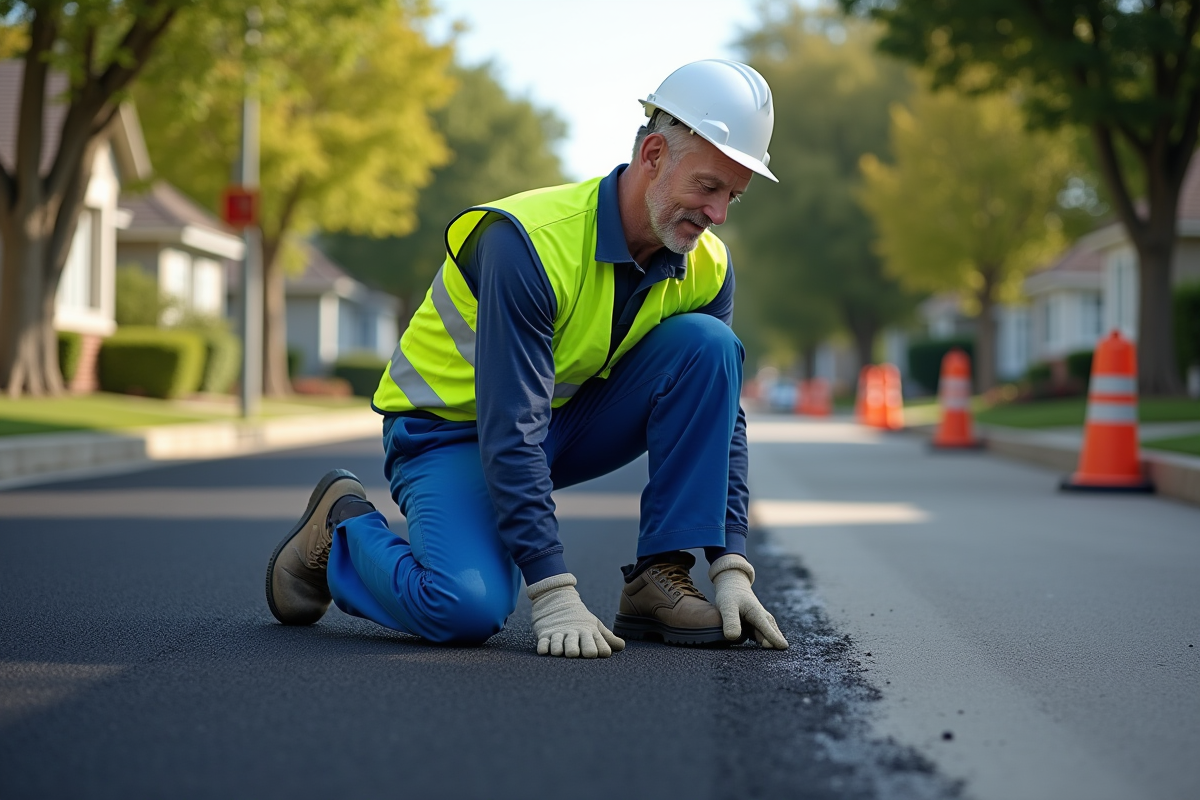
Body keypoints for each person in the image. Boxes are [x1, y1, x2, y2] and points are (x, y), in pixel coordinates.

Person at [265, 59, 789, 659]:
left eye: (733, 197)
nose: (718, 214)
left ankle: (657, 578)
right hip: (448, 432)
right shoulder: (527, 244)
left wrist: (731, 563)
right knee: (466, 607)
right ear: (652, 156)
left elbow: (722, 413)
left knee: (710, 346)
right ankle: (341, 526)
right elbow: (508, 423)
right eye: (708, 187)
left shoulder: (707, 264)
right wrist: (552, 590)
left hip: (558, 423)